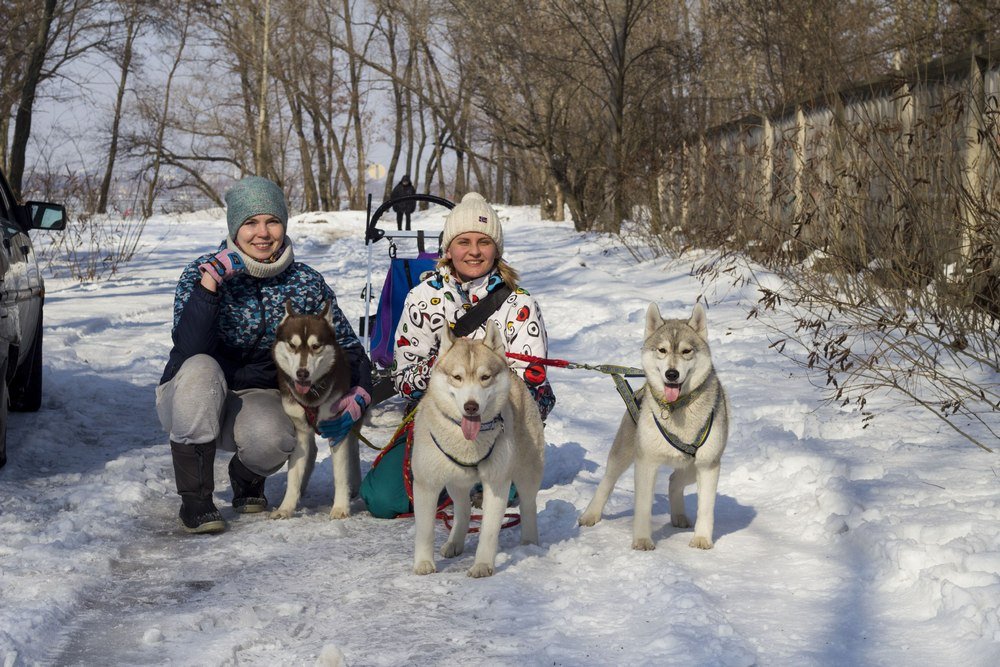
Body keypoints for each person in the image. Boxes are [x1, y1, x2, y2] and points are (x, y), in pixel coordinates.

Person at [156, 175, 372, 534]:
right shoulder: (201, 271)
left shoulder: (304, 281)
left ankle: (247, 478)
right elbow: (189, 348)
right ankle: (196, 501)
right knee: (200, 369)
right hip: (190, 394)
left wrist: (360, 392)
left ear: (284, 226)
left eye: (272, 221)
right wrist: (211, 286)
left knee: (278, 436)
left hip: (256, 395)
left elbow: (347, 347)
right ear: (234, 228)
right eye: (250, 222)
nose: (262, 232)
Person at [391, 191, 555, 418]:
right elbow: (403, 381)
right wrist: (445, 362)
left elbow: (532, 381)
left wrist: (487, 368)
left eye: (484, 242)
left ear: (496, 250)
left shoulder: (520, 305)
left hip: (506, 418)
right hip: (439, 416)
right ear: (448, 250)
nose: (475, 251)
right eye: (464, 242)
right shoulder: (422, 298)